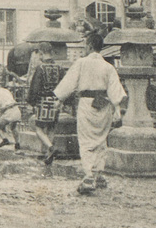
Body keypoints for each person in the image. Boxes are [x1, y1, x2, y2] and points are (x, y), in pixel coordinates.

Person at [53, 32, 128, 195]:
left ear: (89, 46)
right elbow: (115, 90)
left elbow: (69, 82)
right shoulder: (108, 66)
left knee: (86, 140)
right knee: (101, 140)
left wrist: (59, 99)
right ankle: (99, 173)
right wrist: (117, 108)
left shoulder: (81, 63)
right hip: (104, 105)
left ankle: (88, 175)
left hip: (87, 104)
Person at [26, 41, 63, 165]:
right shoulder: (59, 68)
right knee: (51, 128)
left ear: (41, 53)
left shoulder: (40, 68)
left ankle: (51, 148)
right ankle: (48, 155)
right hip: (55, 101)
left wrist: (31, 102)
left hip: (43, 101)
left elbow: (35, 87)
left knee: (39, 128)